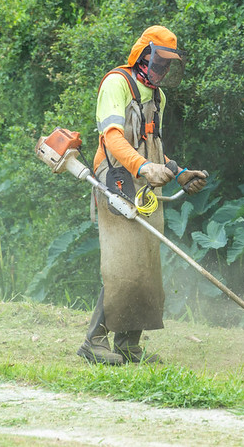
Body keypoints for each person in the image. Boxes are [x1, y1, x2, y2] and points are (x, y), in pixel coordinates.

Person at [77, 25, 208, 365]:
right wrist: (143, 168)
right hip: (116, 177)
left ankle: (128, 345)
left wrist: (178, 173)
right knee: (124, 261)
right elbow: (113, 138)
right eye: (158, 61)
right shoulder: (116, 84)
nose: (162, 69)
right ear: (142, 54)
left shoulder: (157, 97)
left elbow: (153, 146)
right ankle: (94, 341)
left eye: (168, 64)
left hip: (143, 179)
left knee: (146, 261)